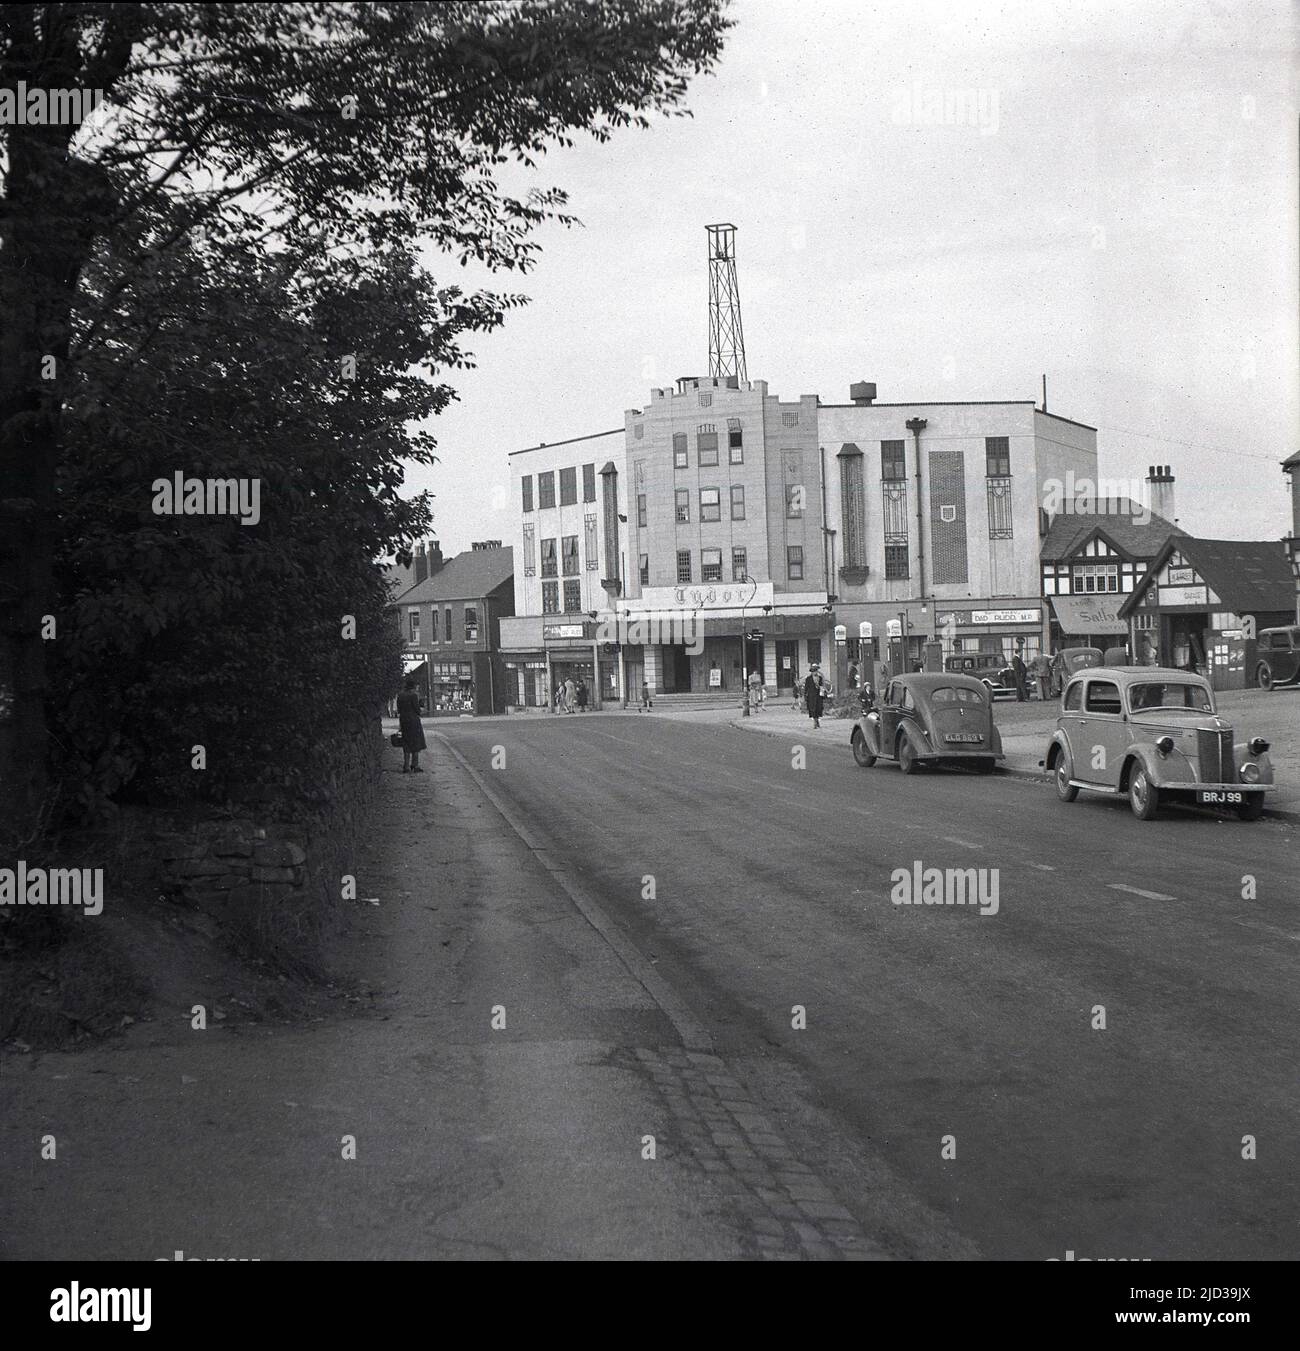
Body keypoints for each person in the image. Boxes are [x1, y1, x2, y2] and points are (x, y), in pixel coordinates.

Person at [396, 677, 427, 773]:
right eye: (416, 686)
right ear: (413, 686)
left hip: (404, 721)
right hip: (413, 721)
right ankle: (415, 765)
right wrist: (421, 709)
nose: (417, 687)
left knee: (406, 742)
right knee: (416, 742)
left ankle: (406, 766)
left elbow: (399, 709)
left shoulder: (400, 695)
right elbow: (417, 710)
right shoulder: (413, 695)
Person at [803, 662, 828, 729]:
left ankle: (817, 721)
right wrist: (805, 695)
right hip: (811, 696)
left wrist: (823, 691)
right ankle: (815, 722)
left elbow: (822, 686)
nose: (815, 672)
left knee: (819, 708)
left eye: (816, 670)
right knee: (812, 709)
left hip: (819, 696)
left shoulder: (820, 678)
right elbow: (806, 688)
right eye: (813, 671)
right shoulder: (808, 679)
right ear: (811, 671)